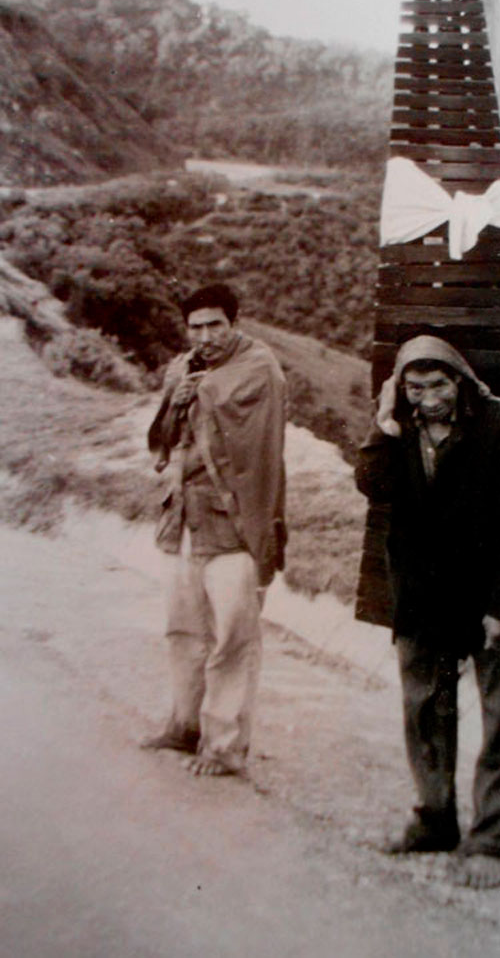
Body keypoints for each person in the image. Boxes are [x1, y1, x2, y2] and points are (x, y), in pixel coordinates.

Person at [355, 335, 500, 889]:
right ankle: (435, 820)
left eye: (438, 385)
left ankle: (491, 840)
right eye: (415, 387)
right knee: (424, 708)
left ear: (459, 380)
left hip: (486, 591)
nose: (428, 398)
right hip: (424, 593)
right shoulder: (399, 427)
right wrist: (384, 423)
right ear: (399, 388)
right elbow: (373, 485)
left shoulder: (499, 423)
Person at [142, 283, 287, 777]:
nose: (205, 336)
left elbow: (254, 440)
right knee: (183, 629)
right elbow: (162, 441)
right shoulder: (184, 368)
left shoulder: (259, 367)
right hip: (185, 517)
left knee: (232, 639)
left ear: (234, 322)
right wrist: (176, 401)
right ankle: (185, 726)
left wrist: (198, 394)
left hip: (237, 522)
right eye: (196, 327)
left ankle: (224, 747)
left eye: (215, 325)